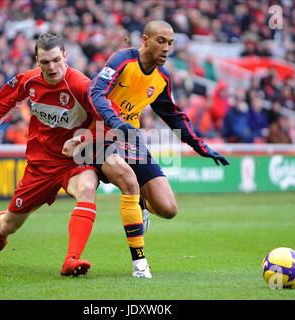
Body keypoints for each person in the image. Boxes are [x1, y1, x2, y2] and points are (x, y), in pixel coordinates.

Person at [0, 32, 151, 279]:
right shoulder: (29, 81)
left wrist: (82, 140)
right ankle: (0, 228)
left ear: (65, 56)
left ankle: (71, 260)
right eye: (45, 62)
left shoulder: (82, 86)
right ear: (37, 61)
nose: (51, 67)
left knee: (87, 187)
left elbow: (111, 120)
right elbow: (7, 97)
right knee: (11, 224)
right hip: (39, 165)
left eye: (56, 60)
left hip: (73, 161)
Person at [85, 20, 229, 224]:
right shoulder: (123, 59)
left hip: (130, 140)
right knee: (107, 184)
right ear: (145, 39)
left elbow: (174, 116)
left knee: (168, 209)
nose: (166, 48)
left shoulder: (162, 77)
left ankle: (142, 204)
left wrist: (201, 146)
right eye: (161, 41)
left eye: (170, 43)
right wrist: (115, 121)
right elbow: (95, 92)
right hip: (98, 134)